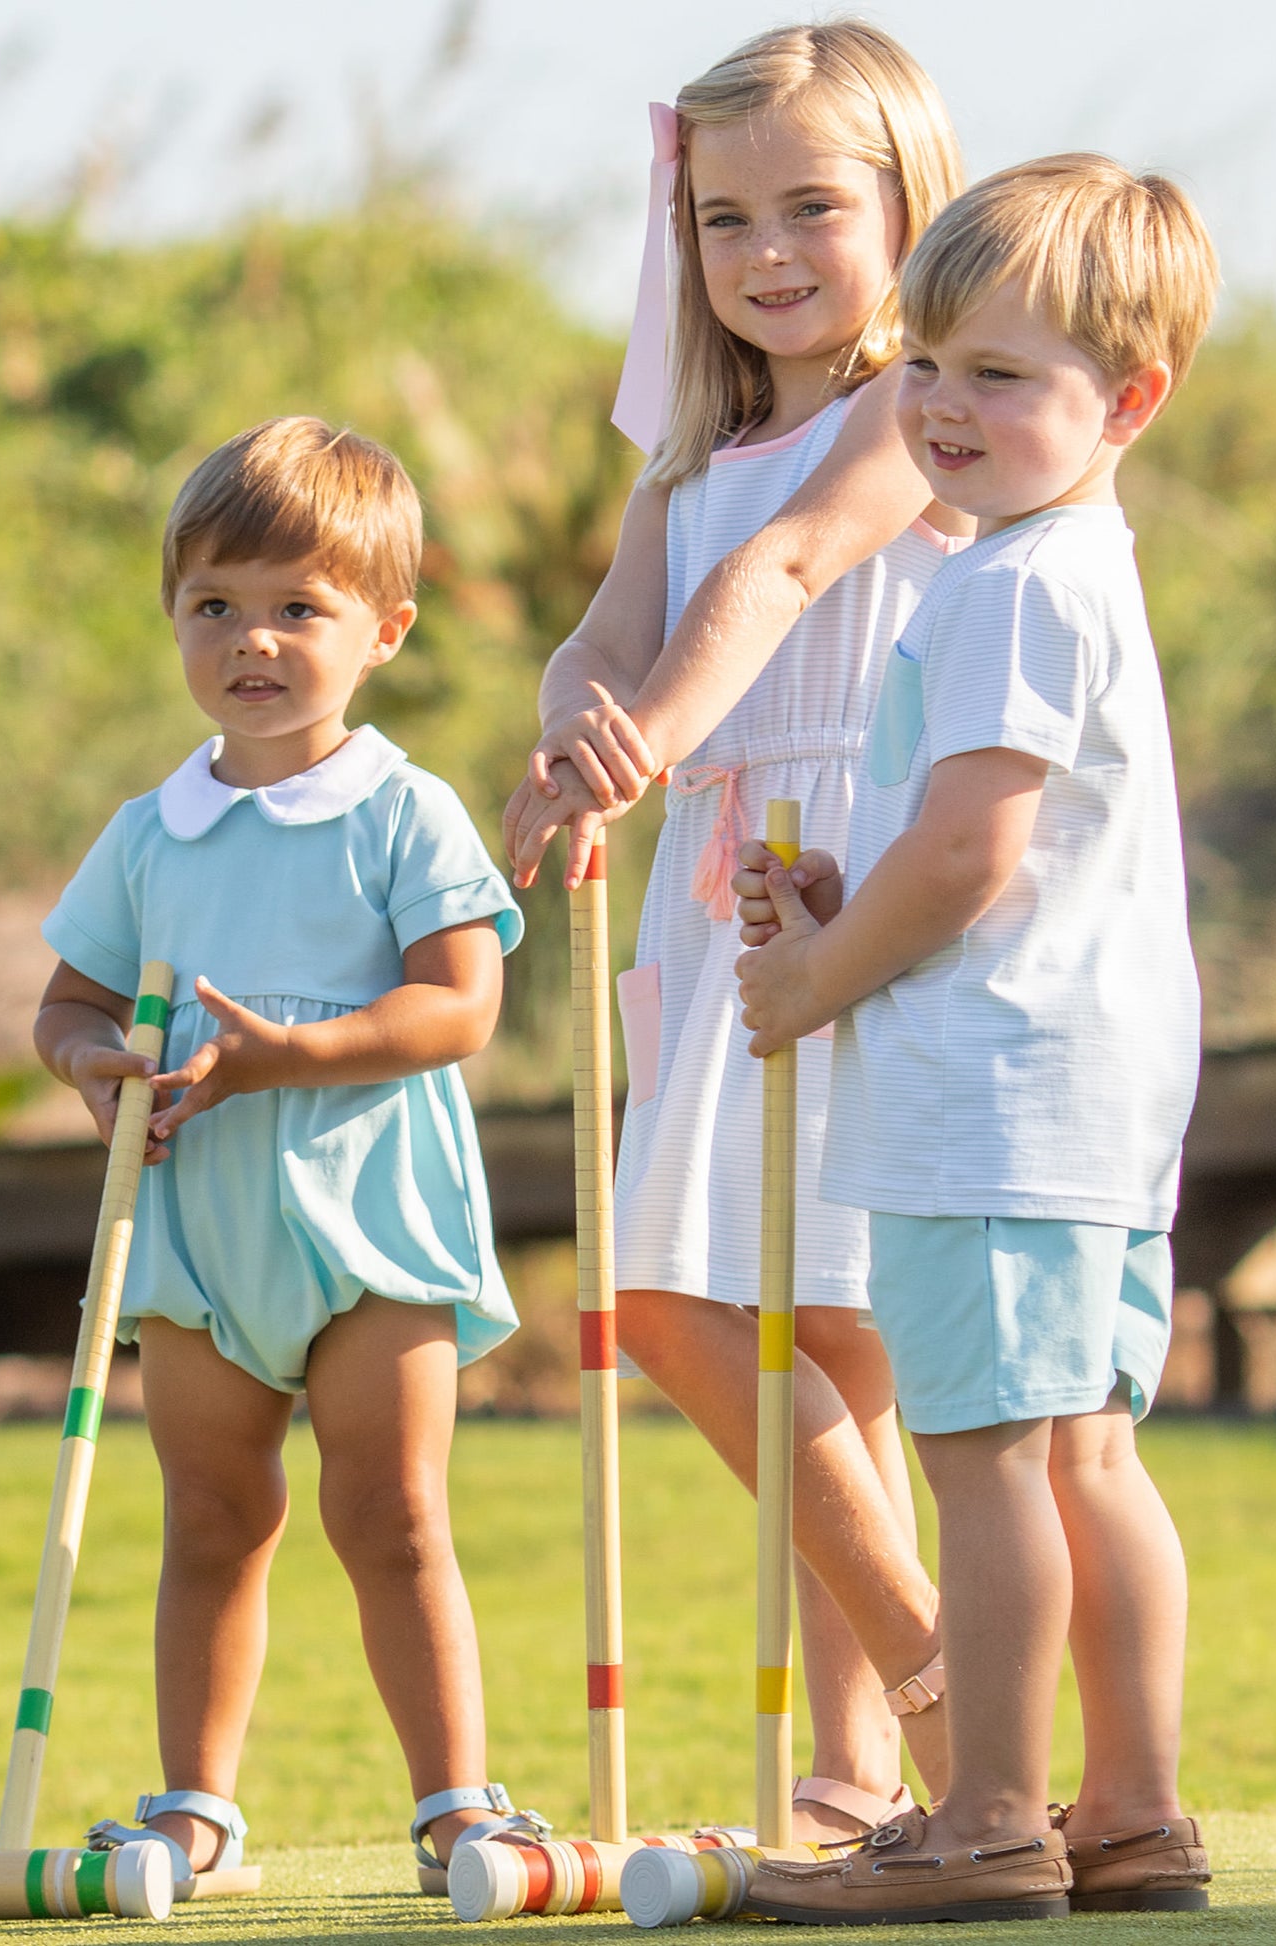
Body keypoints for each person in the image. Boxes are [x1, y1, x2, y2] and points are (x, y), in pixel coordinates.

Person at [732, 155, 1219, 1921]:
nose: (939, 407)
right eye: (925, 363)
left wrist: (817, 976)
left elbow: (968, 856)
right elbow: (975, 850)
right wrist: (850, 898)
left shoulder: (1009, 582)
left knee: (987, 1453)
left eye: (999, 378)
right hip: (1086, 1099)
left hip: (995, 1100)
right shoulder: (1073, 563)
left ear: (1127, 400)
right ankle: (1132, 1815)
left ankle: (994, 1818)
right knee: (1085, 1446)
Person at [502, 22, 968, 1838]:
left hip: (829, 870)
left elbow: (784, 582)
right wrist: (576, 731)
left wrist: (653, 740)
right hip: (717, 895)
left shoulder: (910, 407)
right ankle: (858, 1780)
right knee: (820, 1340)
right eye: (721, 217)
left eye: (809, 207)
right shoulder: (690, 461)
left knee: (680, 1310)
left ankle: (945, 1691)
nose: (764, 251)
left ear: (903, 206)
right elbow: (606, 639)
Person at [33, 417, 547, 1898]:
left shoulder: (403, 808)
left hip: (369, 1222)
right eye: (215, 604)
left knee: (387, 1510)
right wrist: (88, 1063)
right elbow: (66, 1002)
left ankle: (460, 1805)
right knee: (211, 1514)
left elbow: (460, 1004)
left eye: (298, 607)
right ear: (174, 615)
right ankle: (195, 1808)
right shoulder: (151, 833)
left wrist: (286, 1057)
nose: (252, 638)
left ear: (382, 629)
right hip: (200, 1231)